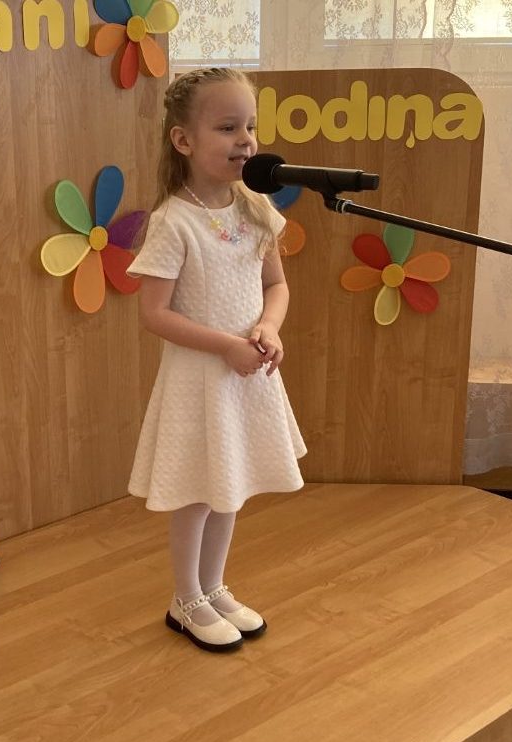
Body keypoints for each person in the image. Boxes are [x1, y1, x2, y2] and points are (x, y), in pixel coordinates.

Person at [127, 67, 307, 653]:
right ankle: (185, 597)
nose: (246, 140)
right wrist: (225, 345)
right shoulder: (173, 222)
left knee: (231, 484)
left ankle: (212, 586)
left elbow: (276, 285)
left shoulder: (255, 208)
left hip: (246, 375)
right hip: (201, 378)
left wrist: (267, 328)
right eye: (228, 127)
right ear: (184, 140)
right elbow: (154, 314)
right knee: (198, 494)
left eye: (250, 126)